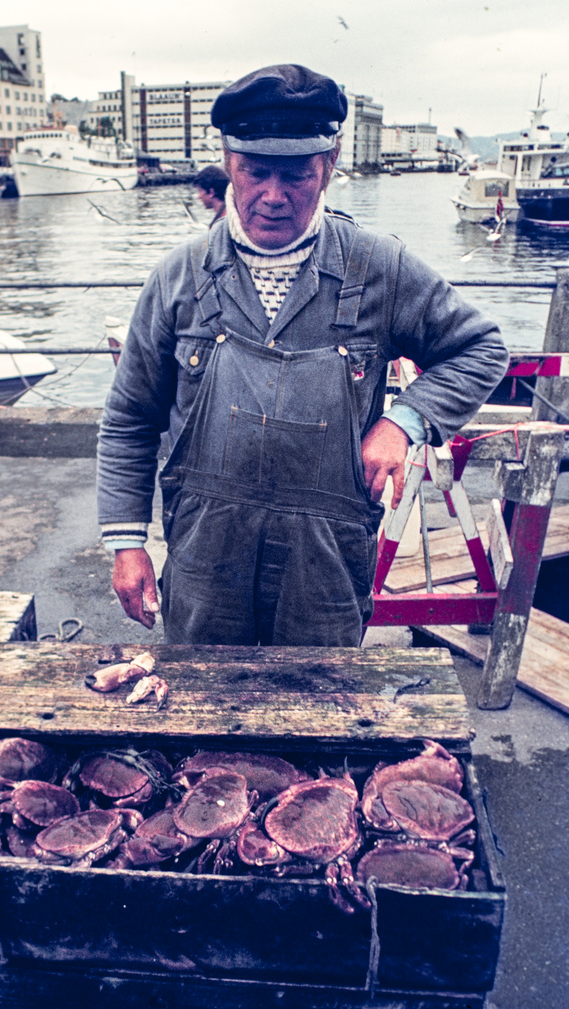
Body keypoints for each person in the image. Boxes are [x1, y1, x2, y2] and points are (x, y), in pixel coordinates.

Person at [97, 64, 509, 647]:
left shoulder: (380, 269)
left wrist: (405, 421)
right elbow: (129, 421)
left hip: (326, 569)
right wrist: (126, 543)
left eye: (296, 175)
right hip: (203, 561)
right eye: (254, 172)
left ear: (330, 164)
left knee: (320, 714)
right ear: (228, 160)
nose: (273, 195)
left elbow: (481, 348)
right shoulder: (177, 277)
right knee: (206, 715)